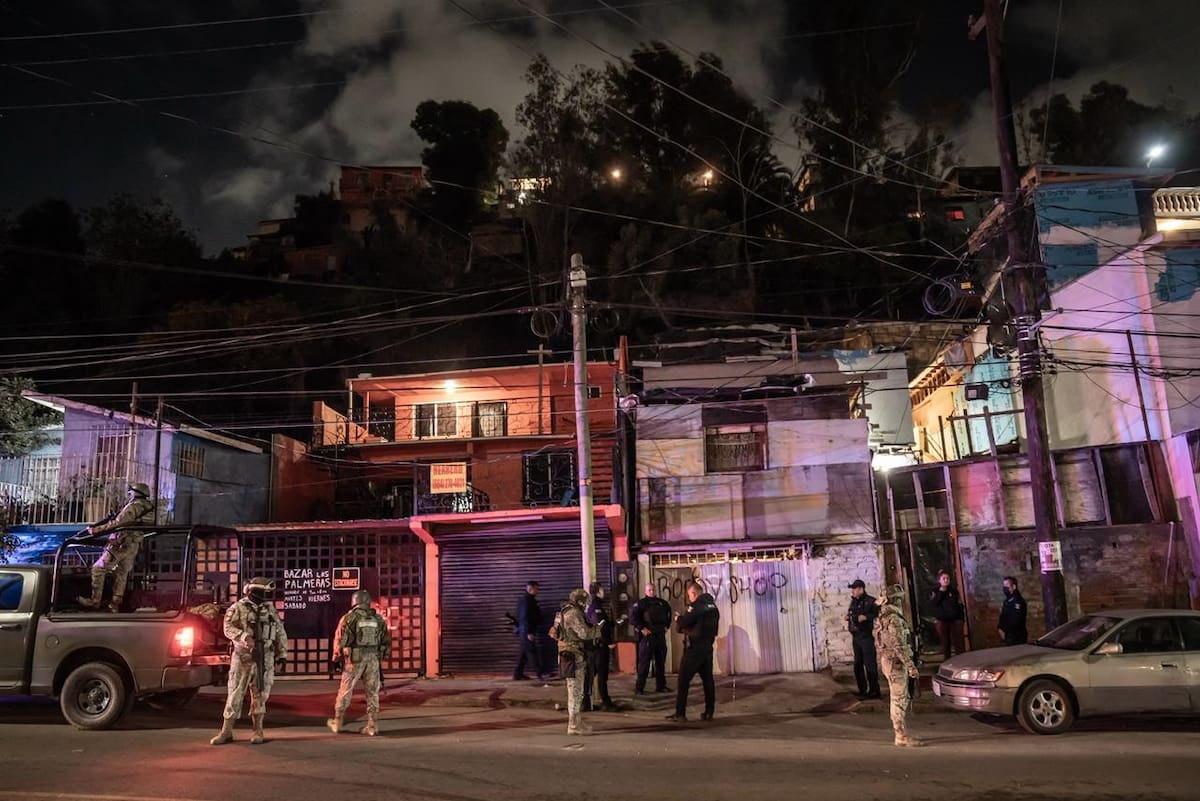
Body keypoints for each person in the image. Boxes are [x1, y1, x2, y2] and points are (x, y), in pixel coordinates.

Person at [210, 576, 289, 746]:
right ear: (252, 591)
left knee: (261, 694)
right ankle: (226, 731)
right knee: (235, 694)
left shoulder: (269, 610)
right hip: (243, 657)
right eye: (262, 592)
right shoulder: (237, 608)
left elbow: (280, 631)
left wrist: (282, 654)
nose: (264, 596)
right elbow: (227, 628)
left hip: (265, 657)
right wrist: (245, 637)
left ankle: (257, 730)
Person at [76, 482, 154, 612]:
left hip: (120, 543)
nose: (129, 494)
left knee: (98, 569)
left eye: (130, 492)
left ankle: (95, 602)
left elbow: (118, 524)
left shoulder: (134, 506)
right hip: (133, 545)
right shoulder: (149, 508)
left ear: (136, 493)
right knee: (121, 574)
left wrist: (95, 530)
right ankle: (115, 605)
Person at [327, 589, 391, 736]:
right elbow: (386, 641)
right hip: (373, 659)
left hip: (354, 660)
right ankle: (372, 726)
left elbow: (339, 639)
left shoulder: (349, 618)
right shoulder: (378, 619)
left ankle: (337, 722)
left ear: (354, 601)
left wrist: (335, 658)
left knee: (345, 690)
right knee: (372, 693)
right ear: (368, 602)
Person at [875, 583, 922, 748]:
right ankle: (900, 735)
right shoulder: (894, 619)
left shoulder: (882, 617)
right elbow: (898, 645)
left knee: (897, 698)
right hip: (896, 663)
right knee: (899, 699)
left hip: (887, 661)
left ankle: (901, 732)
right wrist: (911, 666)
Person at [666, 581, 719, 723]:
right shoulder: (713, 607)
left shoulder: (696, 606)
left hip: (694, 648)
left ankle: (680, 713)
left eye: (690, 595)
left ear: (694, 593)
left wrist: (678, 619)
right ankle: (709, 711)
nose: (689, 598)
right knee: (708, 681)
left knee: (683, 680)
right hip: (707, 647)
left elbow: (683, 622)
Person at [554, 588, 599, 735]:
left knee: (574, 690)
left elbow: (553, 633)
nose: (585, 605)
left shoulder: (562, 612)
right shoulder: (574, 613)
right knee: (576, 691)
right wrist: (597, 630)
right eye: (584, 602)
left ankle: (576, 722)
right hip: (574, 655)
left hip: (567, 654)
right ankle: (573, 725)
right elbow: (584, 633)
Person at [630, 582, 672, 695]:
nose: (652, 592)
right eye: (649, 590)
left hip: (660, 635)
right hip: (648, 636)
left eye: (653, 590)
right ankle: (639, 688)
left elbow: (669, 614)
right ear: (645, 591)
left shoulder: (662, 603)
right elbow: (633, 618)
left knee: (660, 661)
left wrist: (667, 626)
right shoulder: (641, 603)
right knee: (644, 663)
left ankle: (661, 686)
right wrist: (641, 628)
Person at [583, 582, 617, 711]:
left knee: (592, 675)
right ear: (597, 591)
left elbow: (603, 623)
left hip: (595, 645)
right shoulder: (596, 606)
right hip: (600, 646)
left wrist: (613, 623)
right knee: (601, 675)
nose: (604, 592)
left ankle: (585, 702)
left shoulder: (596, 606)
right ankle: (606, 703)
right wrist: (608, 642)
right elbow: (599, 627)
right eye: (602, 589)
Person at [846, 579, 881, 700]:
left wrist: (866, 617)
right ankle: (862, 690)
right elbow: (852, 614)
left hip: (866, 636)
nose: (853, 591)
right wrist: (849, 617)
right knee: (858, 665)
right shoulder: (854, 602)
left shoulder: (871, 601)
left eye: (855, 589)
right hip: (856, 637)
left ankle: (874, 690)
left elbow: (879, 613)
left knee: (870, 664)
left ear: (861, 589)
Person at [929, 569, 966, 660]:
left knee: (958, 642)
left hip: (955, 619)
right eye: (944, 578)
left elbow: (959, 605)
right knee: (945, 642)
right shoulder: (935, 591)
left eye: (947, 578)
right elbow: (934, 604)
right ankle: (947, 660)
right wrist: (941, 592)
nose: (946, 580)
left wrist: (961, 619)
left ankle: (961, 660)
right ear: (939, 580)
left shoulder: (954, 591)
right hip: (942, 620)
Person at [513, 580, 546, 680]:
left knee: (524, 653)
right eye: (537, 588)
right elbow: (525, 617)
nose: (538, 591)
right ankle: (539, 673)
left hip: (524, 630)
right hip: (526, 631)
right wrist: (529, 632)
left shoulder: (527, 600)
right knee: (532, 652)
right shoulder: (527, 601)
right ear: (531, 589)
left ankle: (518, 674)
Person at [998, 576, 1028, 645]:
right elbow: (1003, 616)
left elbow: (1016, 620)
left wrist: (1006, 631)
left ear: (1014, 587)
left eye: (1007, 585)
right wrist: (1000, 628)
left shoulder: (1017, 601)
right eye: (1004, 586)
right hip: (1009, 636)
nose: (1005, 588)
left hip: (1017, 636)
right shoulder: (1007, 601)